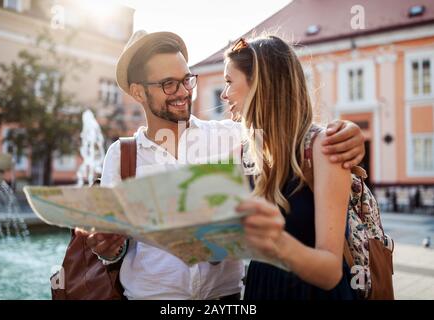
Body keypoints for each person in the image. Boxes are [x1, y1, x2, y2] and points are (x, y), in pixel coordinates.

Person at [80, 31, 365, 300]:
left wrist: (350, 133)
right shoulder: (121, 156)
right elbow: (115, 249)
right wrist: (109, 246)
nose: (184, 92)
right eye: (169, 84)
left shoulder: (235, 138)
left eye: (187, 80)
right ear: (138, 92)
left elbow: (289, 133)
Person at [228, 36, 358, 299]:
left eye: (229, 81)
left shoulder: (322, 148)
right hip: (260, 289)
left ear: (259, 86)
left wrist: (274, 240)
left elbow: (331, 272)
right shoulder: (242, 154)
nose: (223, 93)